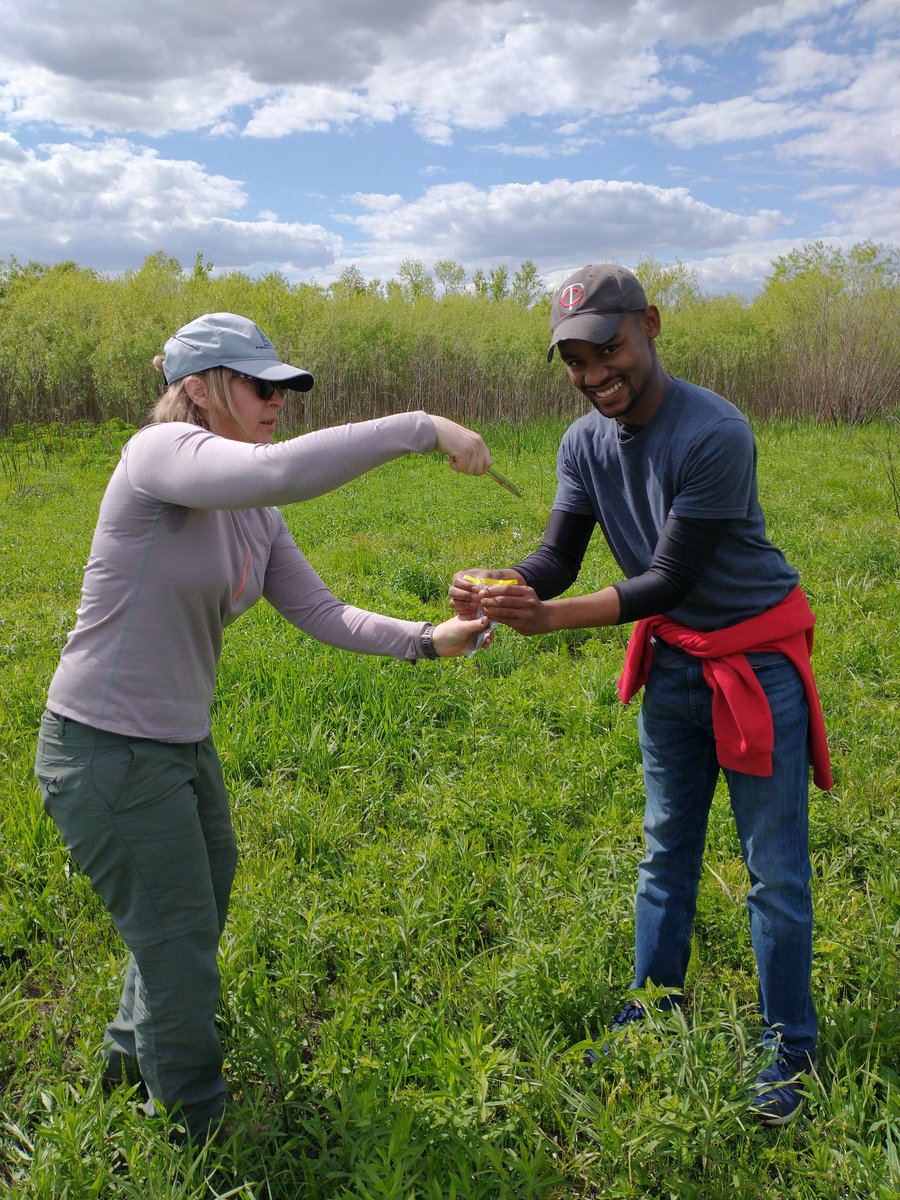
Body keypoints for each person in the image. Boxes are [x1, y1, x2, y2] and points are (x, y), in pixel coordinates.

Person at [34, 312, 495, 1143]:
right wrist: (420, 427)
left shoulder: (250, 512)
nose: (279, 400)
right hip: (104, 748)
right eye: (261, 384)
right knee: (178, 945)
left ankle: (123, 1064)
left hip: (176, 745)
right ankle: (193, 1136)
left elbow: (320, 610)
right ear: (204, 390)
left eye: (284, 386)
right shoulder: (157, 455)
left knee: (195, 904)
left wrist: (429, 640)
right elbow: (281, 471)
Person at [449, 265, 832, 1127]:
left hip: (754, 663)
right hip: (673, 669)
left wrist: (552, 623)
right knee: (666, 847)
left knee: (772, 871)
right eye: (574, 362)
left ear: (651, 326)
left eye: (607, 349)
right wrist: (507, 586)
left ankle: (790, 1047)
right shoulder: (583, 444)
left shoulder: (715, 432)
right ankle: (654, 1004)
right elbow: (558, 560)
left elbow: (666, 578)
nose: (593, 375)